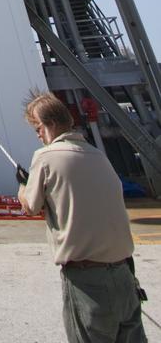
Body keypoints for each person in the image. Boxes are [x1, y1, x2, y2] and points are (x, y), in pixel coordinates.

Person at [18, 91, 146, 343]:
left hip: (88, 280)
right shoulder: (98, 155)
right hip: (124, 275)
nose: (38, 135)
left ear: (51, 125)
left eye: (38, 128)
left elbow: (30, 207)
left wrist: (23, 187)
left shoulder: (45, 157)